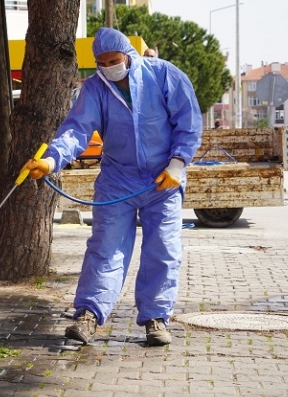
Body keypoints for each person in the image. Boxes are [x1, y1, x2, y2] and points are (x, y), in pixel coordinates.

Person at [22, 27, 202, 346]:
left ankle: (156, 319)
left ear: (128, 55)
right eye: (102, 63)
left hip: (164, 179)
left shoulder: (165, 76)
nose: (109, 67)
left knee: (163, 249)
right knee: (105, 248)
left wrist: (177, 164)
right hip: (118, 180)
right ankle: (89, 314)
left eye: (114, 60)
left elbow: (188, 123)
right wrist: (50, 161)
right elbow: (76, 131)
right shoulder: (95, 89)